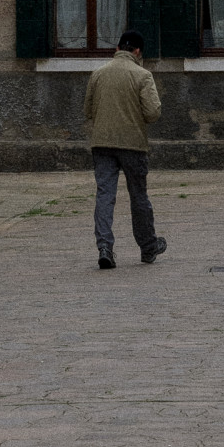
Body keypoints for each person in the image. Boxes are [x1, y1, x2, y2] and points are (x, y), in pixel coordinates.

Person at [84, 29, 167, 269]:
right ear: (138, 51)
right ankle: (148, 247)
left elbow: (88, 111)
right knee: (138, 196)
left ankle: (104, 247)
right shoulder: (143, 75)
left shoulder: (98, 74)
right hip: (133, 144)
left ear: (118, 48)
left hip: (102, 143)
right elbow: (153, 112)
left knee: (104, 195)